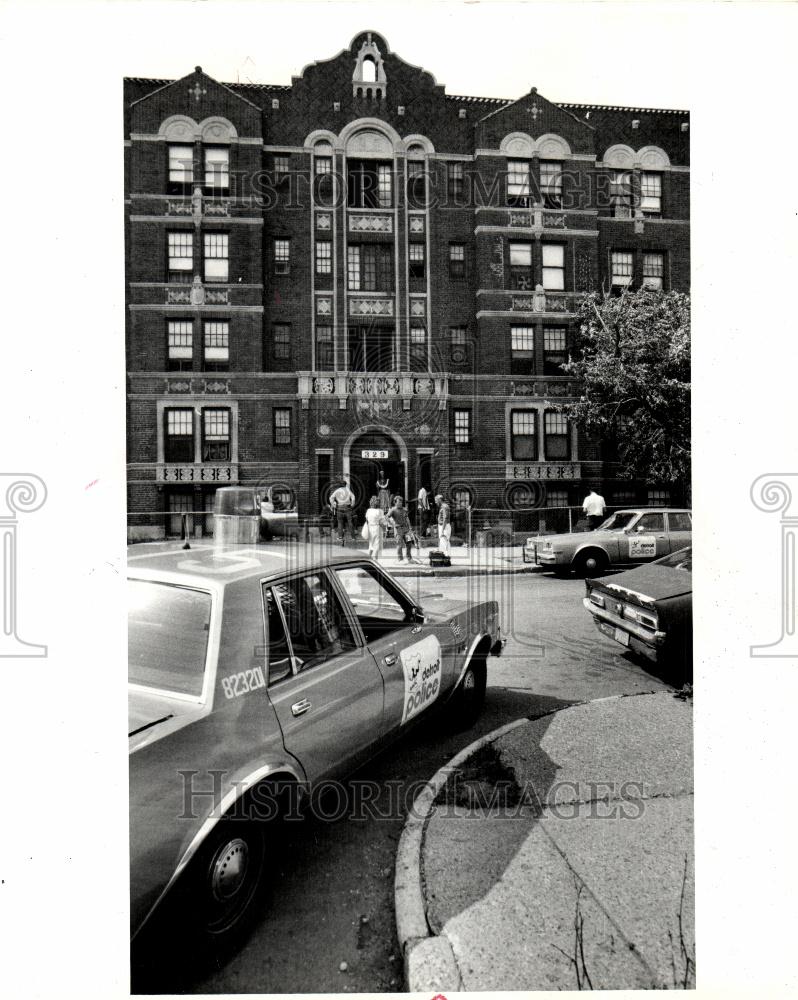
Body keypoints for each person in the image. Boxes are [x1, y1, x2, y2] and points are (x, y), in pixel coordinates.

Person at [388, 496, 421, 564]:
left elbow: (407, 518)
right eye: (399, 502)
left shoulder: (404, 510)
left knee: (408, 543)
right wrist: (392, 523)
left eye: (401, 502)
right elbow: (387, 517)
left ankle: (409, 558)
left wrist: (410, 527)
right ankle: (400, 559)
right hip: (398, 529)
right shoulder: (393, 510)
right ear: (395, 502)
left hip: (406, 529)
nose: (400, 503)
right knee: (399, 544)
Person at [330, 478, 356, 544]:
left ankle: (340, 537)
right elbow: (353, 497)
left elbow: (331, 497)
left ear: (340, 485)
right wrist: (352, 504)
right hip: (347, 508)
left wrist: (333, 504)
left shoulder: (337, 491)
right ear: (345, 485)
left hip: (339, 508)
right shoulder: (348, 490)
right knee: (350, 522)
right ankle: (353, 537)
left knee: (340, 523)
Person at [364, 496, 387, 561]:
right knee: (377, 544)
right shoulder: (380, 511)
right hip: (377, 528)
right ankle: (375, 558)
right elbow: (381, 522)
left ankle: (368, 556)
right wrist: (384, 528)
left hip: (370, 528)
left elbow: (367, 520)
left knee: (371, 543)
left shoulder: (368, 510)